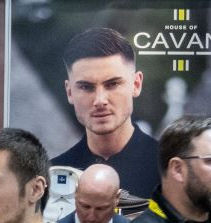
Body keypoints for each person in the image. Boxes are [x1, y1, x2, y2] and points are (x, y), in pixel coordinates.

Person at [53, 27, 160, 197]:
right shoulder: (52, 176)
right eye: (86, 87)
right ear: (69, 92)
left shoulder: (171, 171)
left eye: (112, 84)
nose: (100, 100)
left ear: (136, 84)